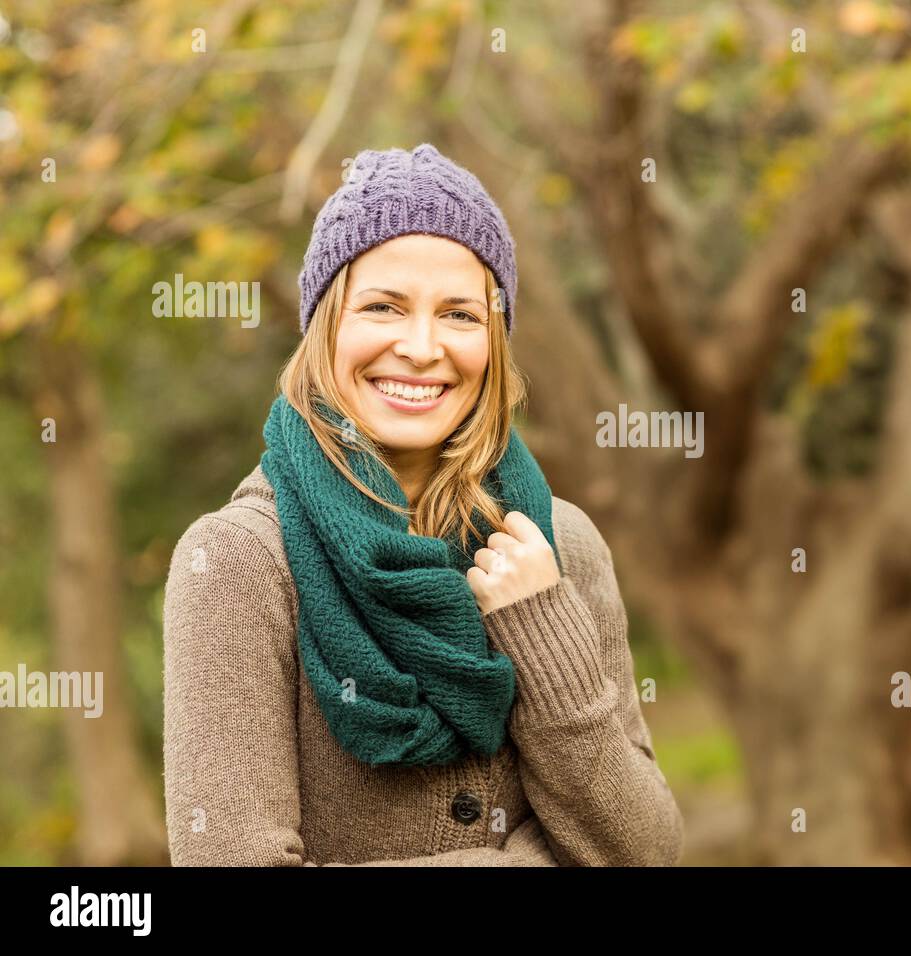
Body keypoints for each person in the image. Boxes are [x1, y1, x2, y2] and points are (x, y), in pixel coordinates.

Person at [162, 143, 684, 866]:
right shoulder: (239, 562)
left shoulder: (558, 542)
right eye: (383, 306)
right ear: (325, 327)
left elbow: (646, 851)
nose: (420, 346)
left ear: (495, 342)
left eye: (460, 315)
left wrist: (538, 624)